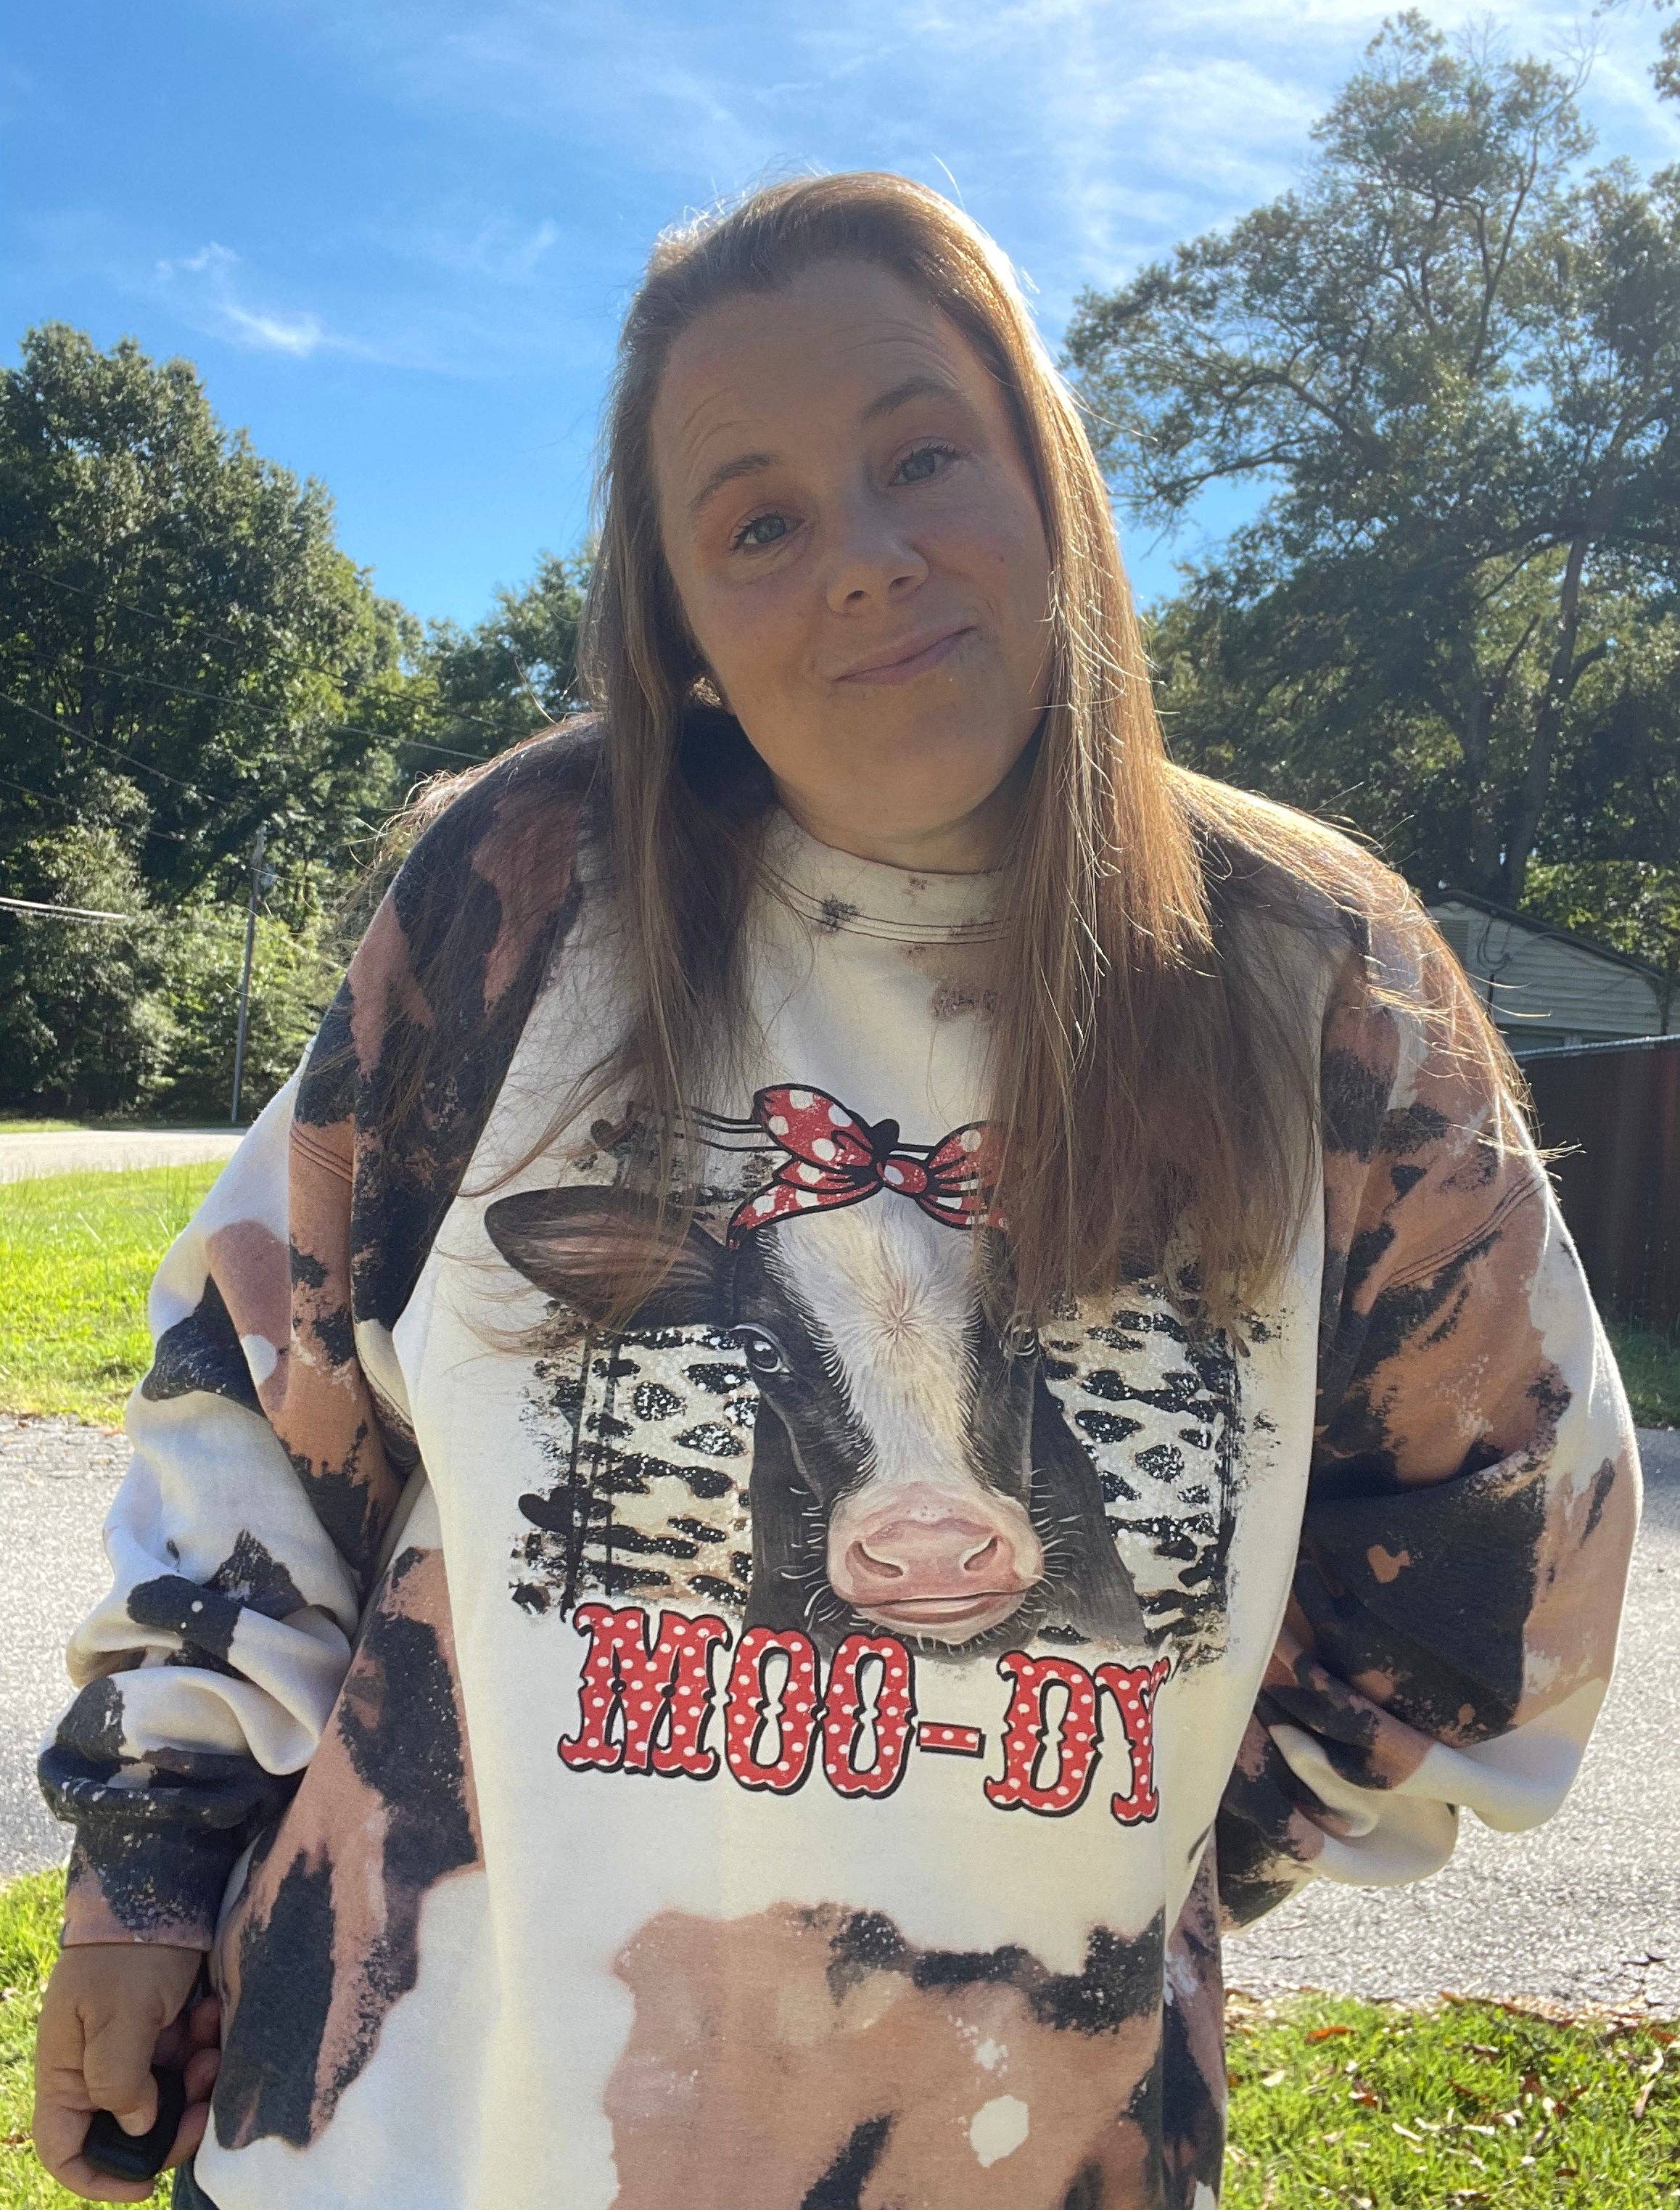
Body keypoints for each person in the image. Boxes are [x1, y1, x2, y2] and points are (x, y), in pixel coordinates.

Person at [33, 171, 1641, 2210]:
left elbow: (1509, 1540)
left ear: (1049, 483)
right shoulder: (522, 900)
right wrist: (149, 1872)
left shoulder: (1315, 978)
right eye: (759, 522)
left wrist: (1143, 1845)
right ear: (679, 623)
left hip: (1017, 2152)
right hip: (401, 2134)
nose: (867, 561)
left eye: (922, 456)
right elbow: (260, 1400)